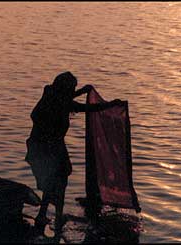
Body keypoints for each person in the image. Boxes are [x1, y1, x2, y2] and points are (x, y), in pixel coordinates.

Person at [25, 71, 122, 234]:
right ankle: (54, 215)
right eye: (72, 88)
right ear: (65, 88)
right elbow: (83, 107)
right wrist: (109, 105)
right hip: (45, 147)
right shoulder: (57, 100)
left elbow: (66, 100)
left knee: (56, 179)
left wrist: (82, 91)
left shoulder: (52, 95)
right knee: (57, 180)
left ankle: (47, 214)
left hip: (52, 146)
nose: (72, 92)